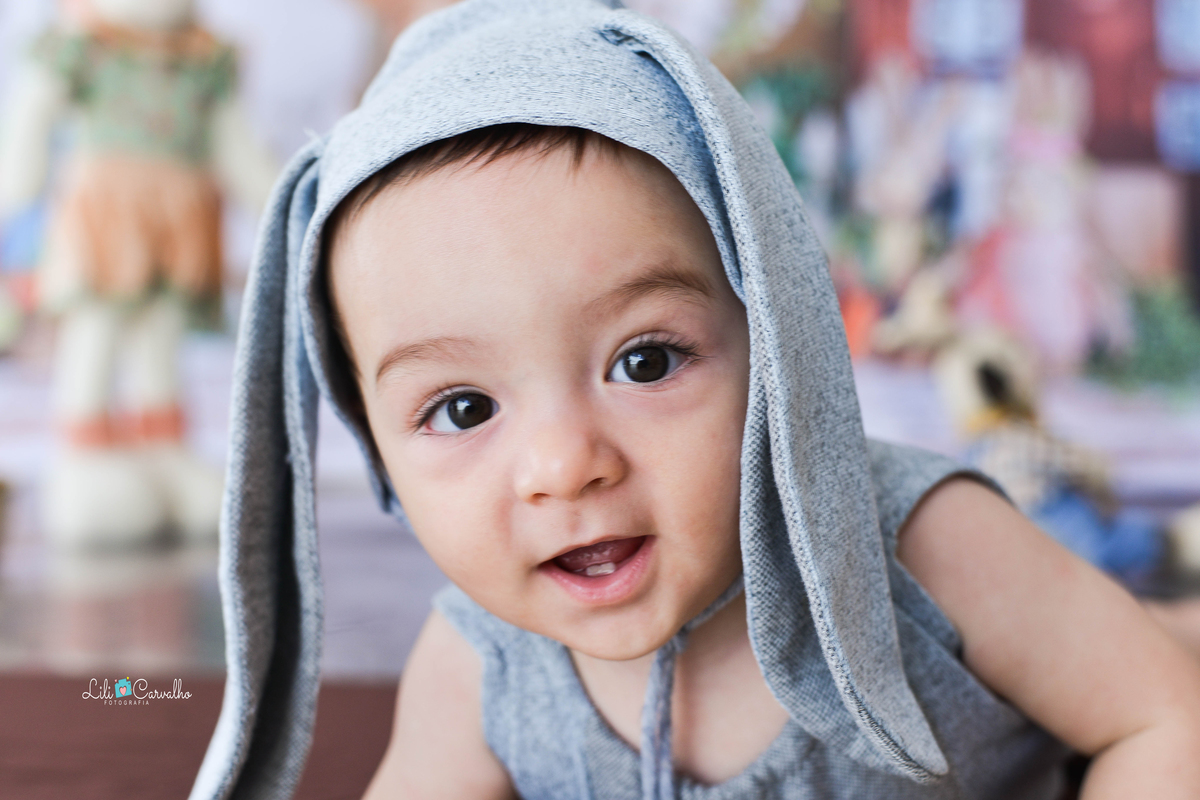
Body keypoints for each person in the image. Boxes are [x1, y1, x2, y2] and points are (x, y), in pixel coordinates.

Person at [189, 2, 1200, 798]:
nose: (563, 464)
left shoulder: (930, 551)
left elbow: (1162, 714)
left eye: (645, 361)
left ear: (775, 331)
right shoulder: (480, 663)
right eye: (461, 408)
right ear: (373, 449)